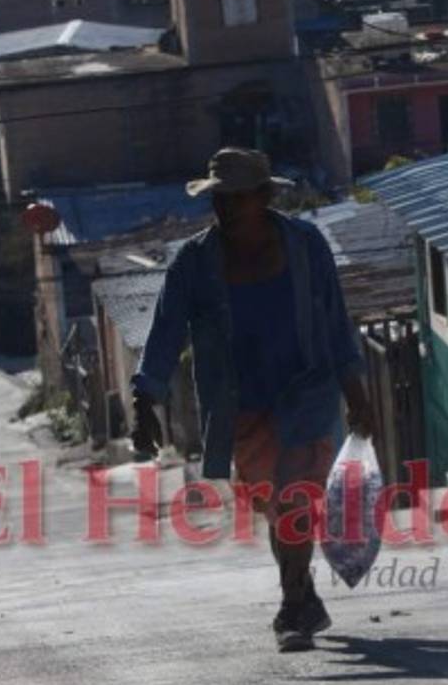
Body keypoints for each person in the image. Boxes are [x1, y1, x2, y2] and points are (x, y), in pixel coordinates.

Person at [131, 148, 376, 653]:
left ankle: (290, 608)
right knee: (277, 506)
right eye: (219, 198)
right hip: (240, 404)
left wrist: (357, 394)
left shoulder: (306, 245)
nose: (224, 208)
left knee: (293, 497)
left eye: (235, 198)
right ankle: (304, 594)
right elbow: (165, 331)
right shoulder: (194, 262)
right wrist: (144, 398)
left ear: (263, 196)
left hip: (308, 391)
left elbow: (334, 321)